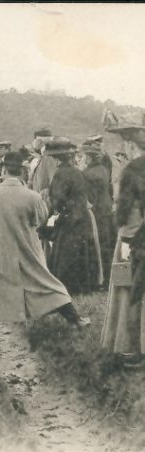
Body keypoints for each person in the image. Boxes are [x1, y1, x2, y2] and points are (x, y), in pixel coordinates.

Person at [0, 151, 89, 338]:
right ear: (22, 171)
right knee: (44, 281)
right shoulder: (32, 196)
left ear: (3, 170)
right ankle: (76, 319)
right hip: (27, 248)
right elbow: (41, 218)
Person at [102, 111, 145, 367]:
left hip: (135, 238)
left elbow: (126, 212)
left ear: (129, 144)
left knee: (129, 290)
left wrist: (128, 242)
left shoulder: (132, 171)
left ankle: (130, 347)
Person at [46, 139, 101, 295]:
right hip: (81, 215)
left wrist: (57, 211)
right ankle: (83, 286)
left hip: (68, 215)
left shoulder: (60, 173)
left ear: (57, 158)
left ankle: (67, 286)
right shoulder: (77, 171)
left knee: (65, 251)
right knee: (81, 251)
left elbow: (56, 198)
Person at [81, 140, 116, 285]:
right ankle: (109, 278)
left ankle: (100, 280)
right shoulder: (104, 169)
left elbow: (86, 196)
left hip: (95, 212)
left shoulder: (86, 174)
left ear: (88, 157)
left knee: (97, 246)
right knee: (107, 244)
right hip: (106, 209)